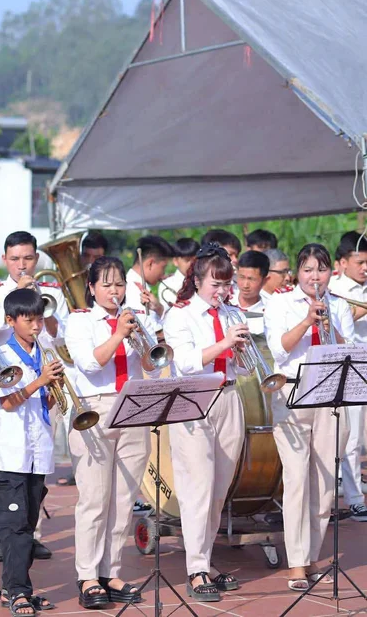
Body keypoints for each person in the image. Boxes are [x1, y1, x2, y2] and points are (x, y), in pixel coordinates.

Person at [66, 257, 162, 608]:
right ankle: (88, 575)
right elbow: (91, 363)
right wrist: (119, 334)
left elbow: (153, 365)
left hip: (132, 406)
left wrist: (144, 341)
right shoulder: (79, 321)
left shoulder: (136, 317)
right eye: (106, 284)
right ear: (91, 288)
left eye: (119, 284)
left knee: (123, 499)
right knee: (94, 499)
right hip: (95, 409)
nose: (114, 291)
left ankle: (111, 570)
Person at [162, 244, 248, 602]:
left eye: (227, 284)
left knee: (218, 491)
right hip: (194, 399)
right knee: (197, 488)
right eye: (216, 284)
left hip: (229, 397)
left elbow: (243, 368)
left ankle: (205, 561)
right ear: (197, 281)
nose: (222, 291)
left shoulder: (230, 311)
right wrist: (225, 342)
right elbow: (185, 363)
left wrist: (240, 351)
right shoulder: (179, 314)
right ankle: (195, 569)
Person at [266, 243, 354, 589]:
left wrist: (331, 321)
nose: (314, 276)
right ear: (297, 273)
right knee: (297, 481)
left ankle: (312, 555)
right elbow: (279, 349)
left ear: (331, 272)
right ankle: (296, 563)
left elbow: (350, 350)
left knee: (324, 482)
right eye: (307, 270)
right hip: (293, 393)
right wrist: (307, 320)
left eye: (321, 269)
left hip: (332, 393)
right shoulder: (280, 303)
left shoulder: (339, 304)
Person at [0, 230, 65, 561]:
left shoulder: (51, 291)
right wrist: (16, 296)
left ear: (37, 259)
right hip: (11, 382)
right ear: (5, 260)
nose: (22, 265)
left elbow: (60, 336)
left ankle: (33, 534)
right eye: (15, 259)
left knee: (37, 465)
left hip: (44, 380)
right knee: (7, 463)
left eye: (28, 258)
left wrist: (45, 313)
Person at [0, 288, 64, 616]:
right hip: (12, 454)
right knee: (15, 527)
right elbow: (7, 402)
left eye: (39, 320)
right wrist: (40, 381)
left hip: (38, 451)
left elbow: (47, 401)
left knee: (29, 526)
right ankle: (17, 591)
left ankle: (17, 588)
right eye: (29, 320)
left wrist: (55, 385)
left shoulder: (44, 351)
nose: (36, 326)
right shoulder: (2, 355)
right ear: (11, 321)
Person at [329, 232, 367, 521]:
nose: (365, 268)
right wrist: (357, 310)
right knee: (350, 438)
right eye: (359, 262)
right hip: (351, 369)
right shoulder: (334, 291)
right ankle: (355, 499)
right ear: (342, 263)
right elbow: (336, 329)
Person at [125, 236, 173, 325]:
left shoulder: (137, 286)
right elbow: (152, 330)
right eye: (163, 267)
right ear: (150, 264)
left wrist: (160, 309)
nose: (163, 273)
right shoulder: (133, 290)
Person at [233, 251, 271, 333]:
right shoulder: (225, 302)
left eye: (251, 279)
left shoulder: (270, 311)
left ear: (264, 281)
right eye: (241, 277)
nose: (245, 285)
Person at [158, 238, 198, 308]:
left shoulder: (204, 280)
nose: (191, 264)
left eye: (195, 260)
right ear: (175, 261)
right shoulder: (167, 284)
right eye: (187, 260)